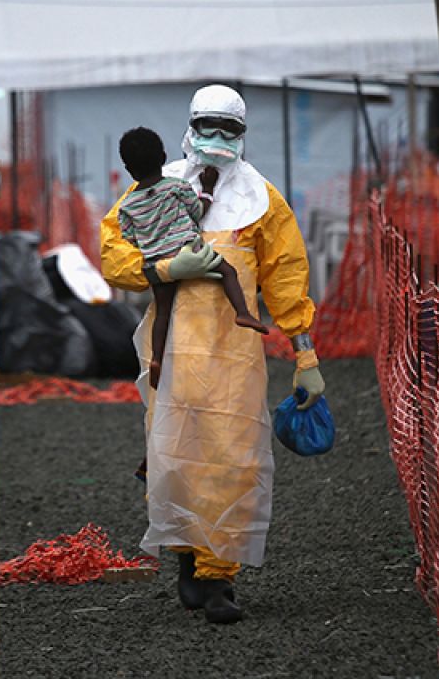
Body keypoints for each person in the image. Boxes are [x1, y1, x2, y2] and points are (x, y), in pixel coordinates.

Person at [100, 84, 326, 624]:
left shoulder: (262, 201)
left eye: (230, 129)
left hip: (234, 357)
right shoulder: (153, 189)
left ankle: (218, 577)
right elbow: (114, 254)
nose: (217, 139)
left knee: (232, 457)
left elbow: (287, 277)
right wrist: (159, 271)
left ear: (243, 134)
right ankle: (185, 553)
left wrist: (305, 354)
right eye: (209, 127)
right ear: (190, 125)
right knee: (176, 454)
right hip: (171, 351)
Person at [116, 126, 269, 391]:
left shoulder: (127, 205)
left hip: (158, 262)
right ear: (163, 157)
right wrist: (208, 187)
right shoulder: (177, 187)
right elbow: (198, 211)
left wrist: (153, 241)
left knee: (163, 312)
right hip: (190, 250)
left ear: (129, 169)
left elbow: (128, 236)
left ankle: (156, 359)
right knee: (227, 272)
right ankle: (243, 313)